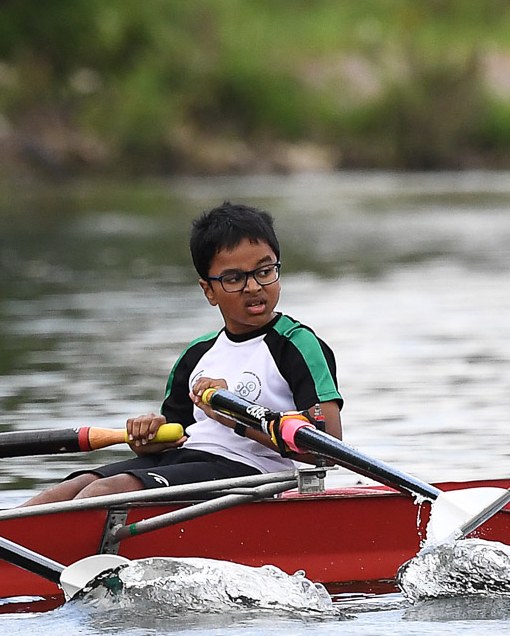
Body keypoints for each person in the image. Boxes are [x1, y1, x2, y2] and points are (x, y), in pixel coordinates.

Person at [23, 201, 340, 506]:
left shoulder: (298, 345)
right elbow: (173, 439)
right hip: (193, 461)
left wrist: (235, 417)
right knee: (72, 488)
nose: (254, 287)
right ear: (209, 291)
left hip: (258, 477)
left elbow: (328, 447)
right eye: (234, 278)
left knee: (106, 491)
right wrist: (144, 438)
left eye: (264, 271)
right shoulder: (196, 354)